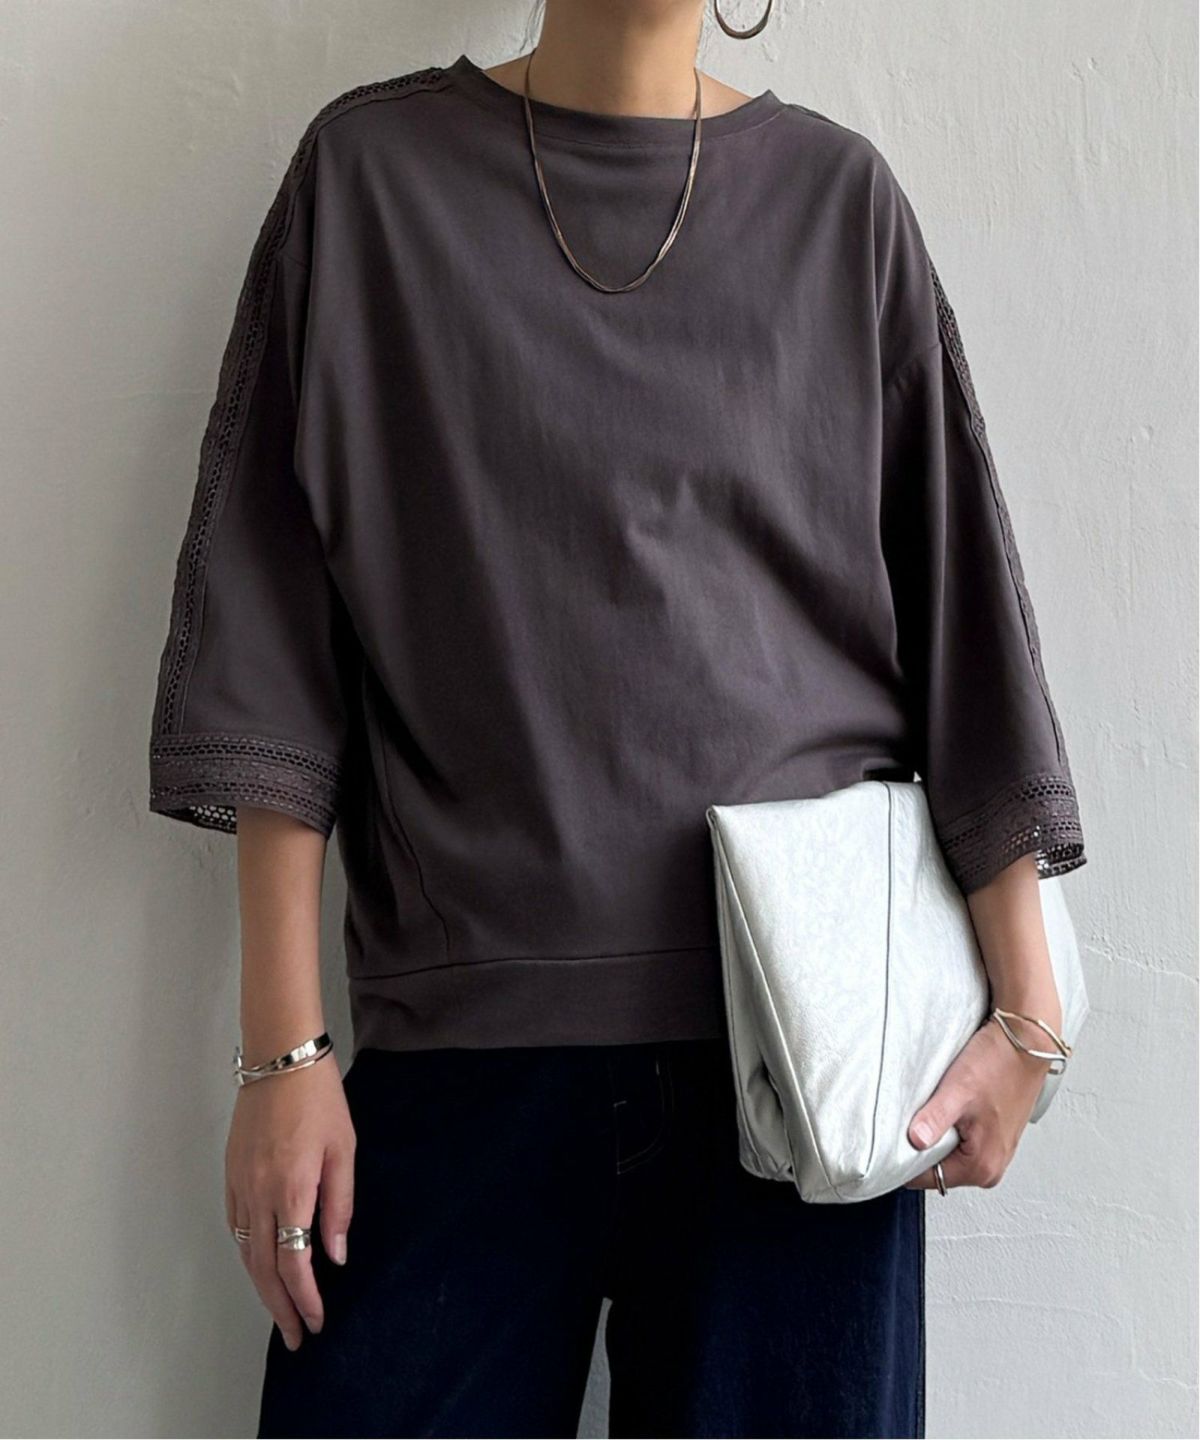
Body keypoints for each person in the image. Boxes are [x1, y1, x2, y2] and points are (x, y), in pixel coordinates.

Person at [146, 2, 1087, 1436]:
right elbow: (271, 633)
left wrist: (1031, 1020)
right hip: (456, 1058)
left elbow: (966, 621)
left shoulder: (840, 207)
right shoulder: (370, 184)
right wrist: (282, 1052)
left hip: (803, 1062)